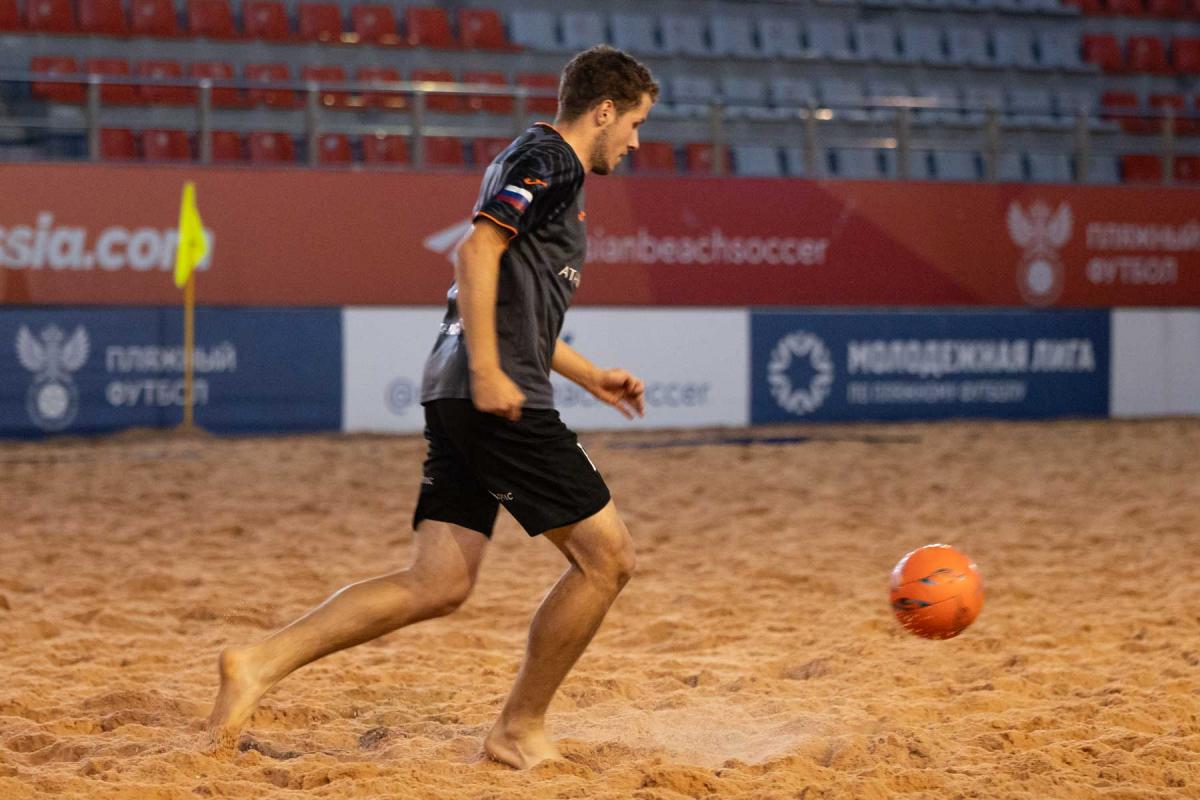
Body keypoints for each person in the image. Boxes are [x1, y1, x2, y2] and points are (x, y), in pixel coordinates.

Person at [207, 45, 659, 770]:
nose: (636, 142)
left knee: (437, 582)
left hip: (457, 389)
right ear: (604, 111)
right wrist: (489, 372)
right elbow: (474, 255)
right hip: (490, 395)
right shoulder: (551, 159)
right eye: (635, 124)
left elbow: (515, 305)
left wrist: (591, 375)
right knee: (608, 559)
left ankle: (257, 662)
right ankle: (519, 728)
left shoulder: (538, 162)